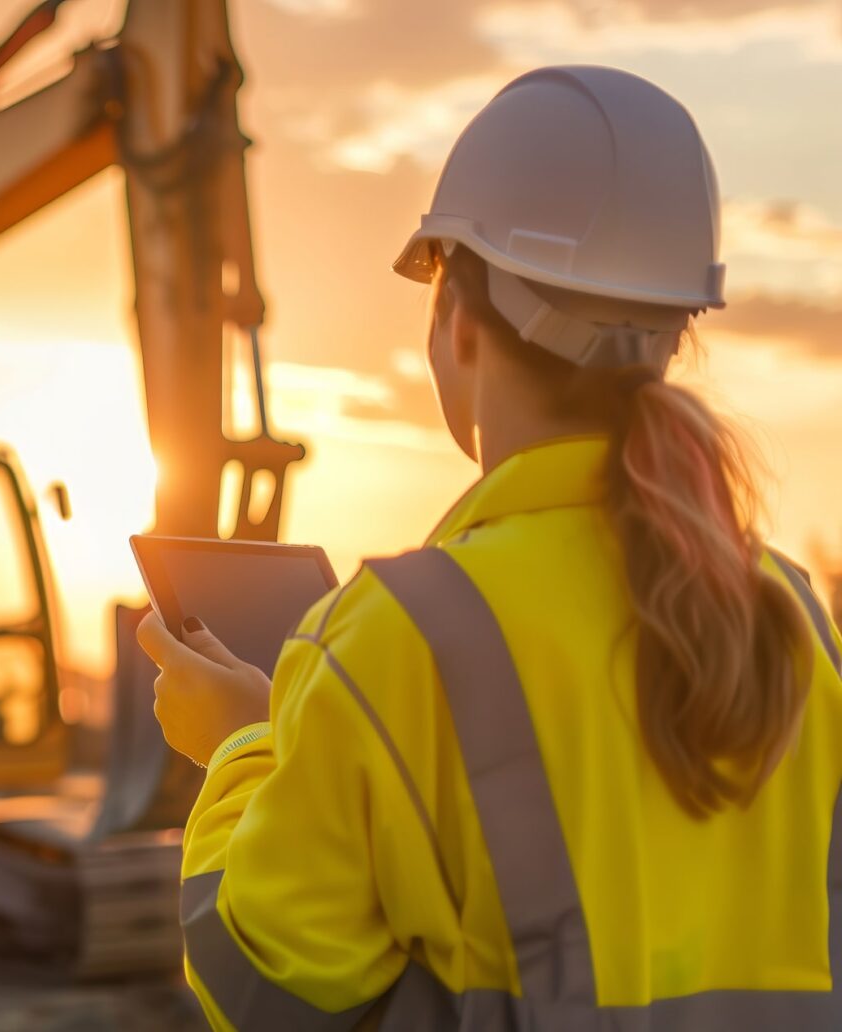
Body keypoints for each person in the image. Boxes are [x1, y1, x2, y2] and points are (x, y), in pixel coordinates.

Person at [139, 66, 841, 1027]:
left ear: (456, 323)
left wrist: (242, 749)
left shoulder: (398, 639)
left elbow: (262, 986)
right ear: (678, 332)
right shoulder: (791, 613)